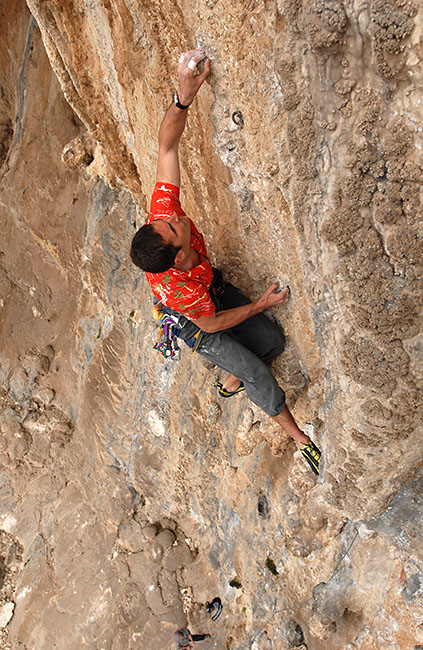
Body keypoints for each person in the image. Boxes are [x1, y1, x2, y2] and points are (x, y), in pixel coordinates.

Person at [130, 49, 321, 475]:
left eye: (168, 220)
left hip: (209, 287)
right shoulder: (178, 288)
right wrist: (259, 305)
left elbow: (166, 146)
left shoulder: (162, 217)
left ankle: (228, 381)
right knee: (257, 371)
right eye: (174, 227)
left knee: (271, 342)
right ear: (177, 256)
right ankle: (300, 439)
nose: (175, 216)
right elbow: (212, 323)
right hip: (198, 323)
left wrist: (183, 97)